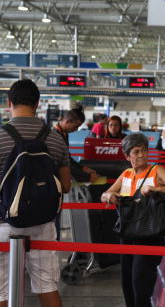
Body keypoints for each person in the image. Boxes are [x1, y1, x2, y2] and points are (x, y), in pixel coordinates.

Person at [0, 79, 72, 307]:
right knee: (46, 285)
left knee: (2, 290)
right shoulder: (55, 138)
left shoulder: (0, 136)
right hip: (43, 224)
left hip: (3, 223)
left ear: (9, 101)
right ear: (38, 103)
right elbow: (66, 185)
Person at [101, 133, 165, 307]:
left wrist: (156, 188)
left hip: (149, 232)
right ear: (127, 156)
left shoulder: (156, 170)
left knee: (141, 280)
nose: (141, 155)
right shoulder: (126, 174)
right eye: (136, 151)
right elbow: (105, 194)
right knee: (127, 279)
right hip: (128, 231)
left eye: (144, 151)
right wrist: (111, 197)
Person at [54, 105, 101, 183]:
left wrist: (83, 168)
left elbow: (67, 158)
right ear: (68, 121)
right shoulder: (56, 137)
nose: (76, 130)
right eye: (76, 126)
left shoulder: (64, 135)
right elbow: (63, 165)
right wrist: (87, 177)